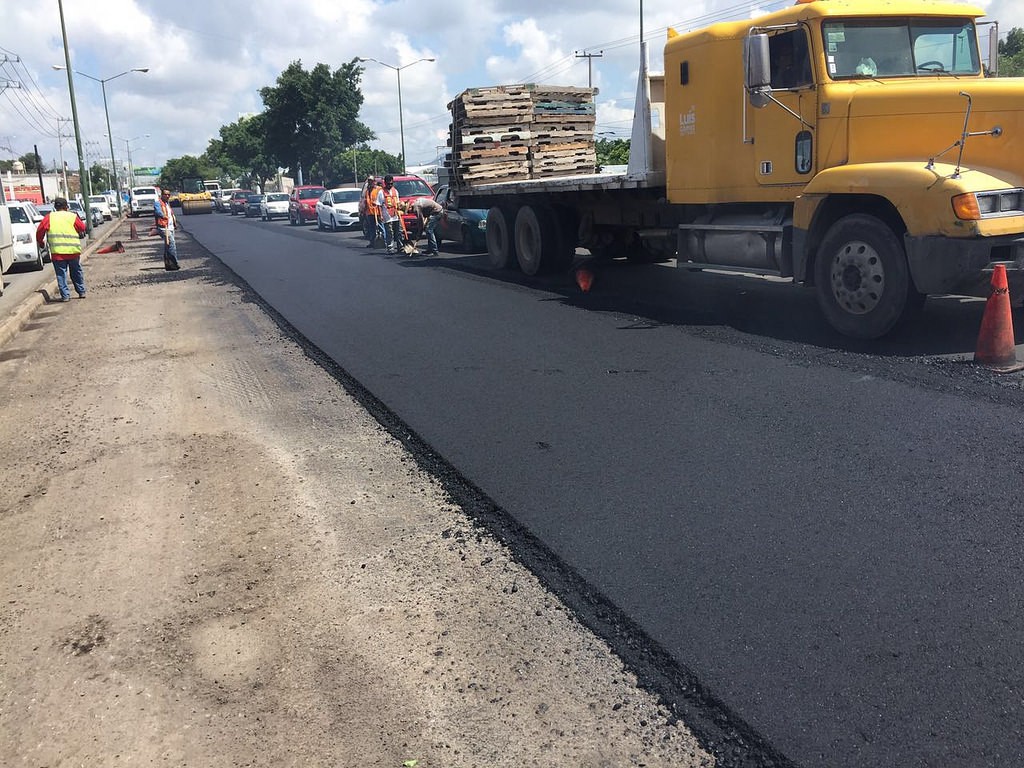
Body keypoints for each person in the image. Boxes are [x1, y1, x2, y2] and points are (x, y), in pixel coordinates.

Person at [35, 196, 87, 301]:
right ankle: (81, 292)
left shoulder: (49, 217)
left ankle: (65, 296)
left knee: (61, 275)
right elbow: (82, 227)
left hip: (57, 253)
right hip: (73, 251)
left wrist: (41, 243)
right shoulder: (72, 216)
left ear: (55, 207)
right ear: (66, 206)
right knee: (76, 272)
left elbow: (40, 231)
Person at [377, 174, 405, 254]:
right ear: (385, 183)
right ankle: (390, 247)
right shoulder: (381, 193)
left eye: (391, 183)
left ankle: (400, 247)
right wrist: (380, 216)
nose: (390, 185)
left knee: (399, 232)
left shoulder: (395, 191)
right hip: (387, 216)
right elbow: (379, 205)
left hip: (396, 215)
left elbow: (398, 202)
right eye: (388, 184)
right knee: (390, 232)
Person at [154, 188, 179, 270]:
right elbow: (158, 211)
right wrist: (163, 216)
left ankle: (168, 264)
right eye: (166, 194)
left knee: (167, 246)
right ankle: (174, 264)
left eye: (169, 195)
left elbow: (171, 214)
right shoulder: (158, 203)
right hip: (164, 227)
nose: (167, 196)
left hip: (170, 227)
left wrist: (174, 222)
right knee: (172, 245)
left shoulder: (167, 204)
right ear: (162, 195)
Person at [362, 175, 382, 248]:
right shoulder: (367, 191)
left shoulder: (378, 189)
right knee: (371, 228)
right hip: (369, 212)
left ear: (374, 182)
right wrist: (364, 210)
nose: (370, 183)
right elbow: (366, 201)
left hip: (378, 212)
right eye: (369, 181)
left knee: (381, 227)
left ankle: (384, 241)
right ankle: (372, 242)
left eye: (372, 181)